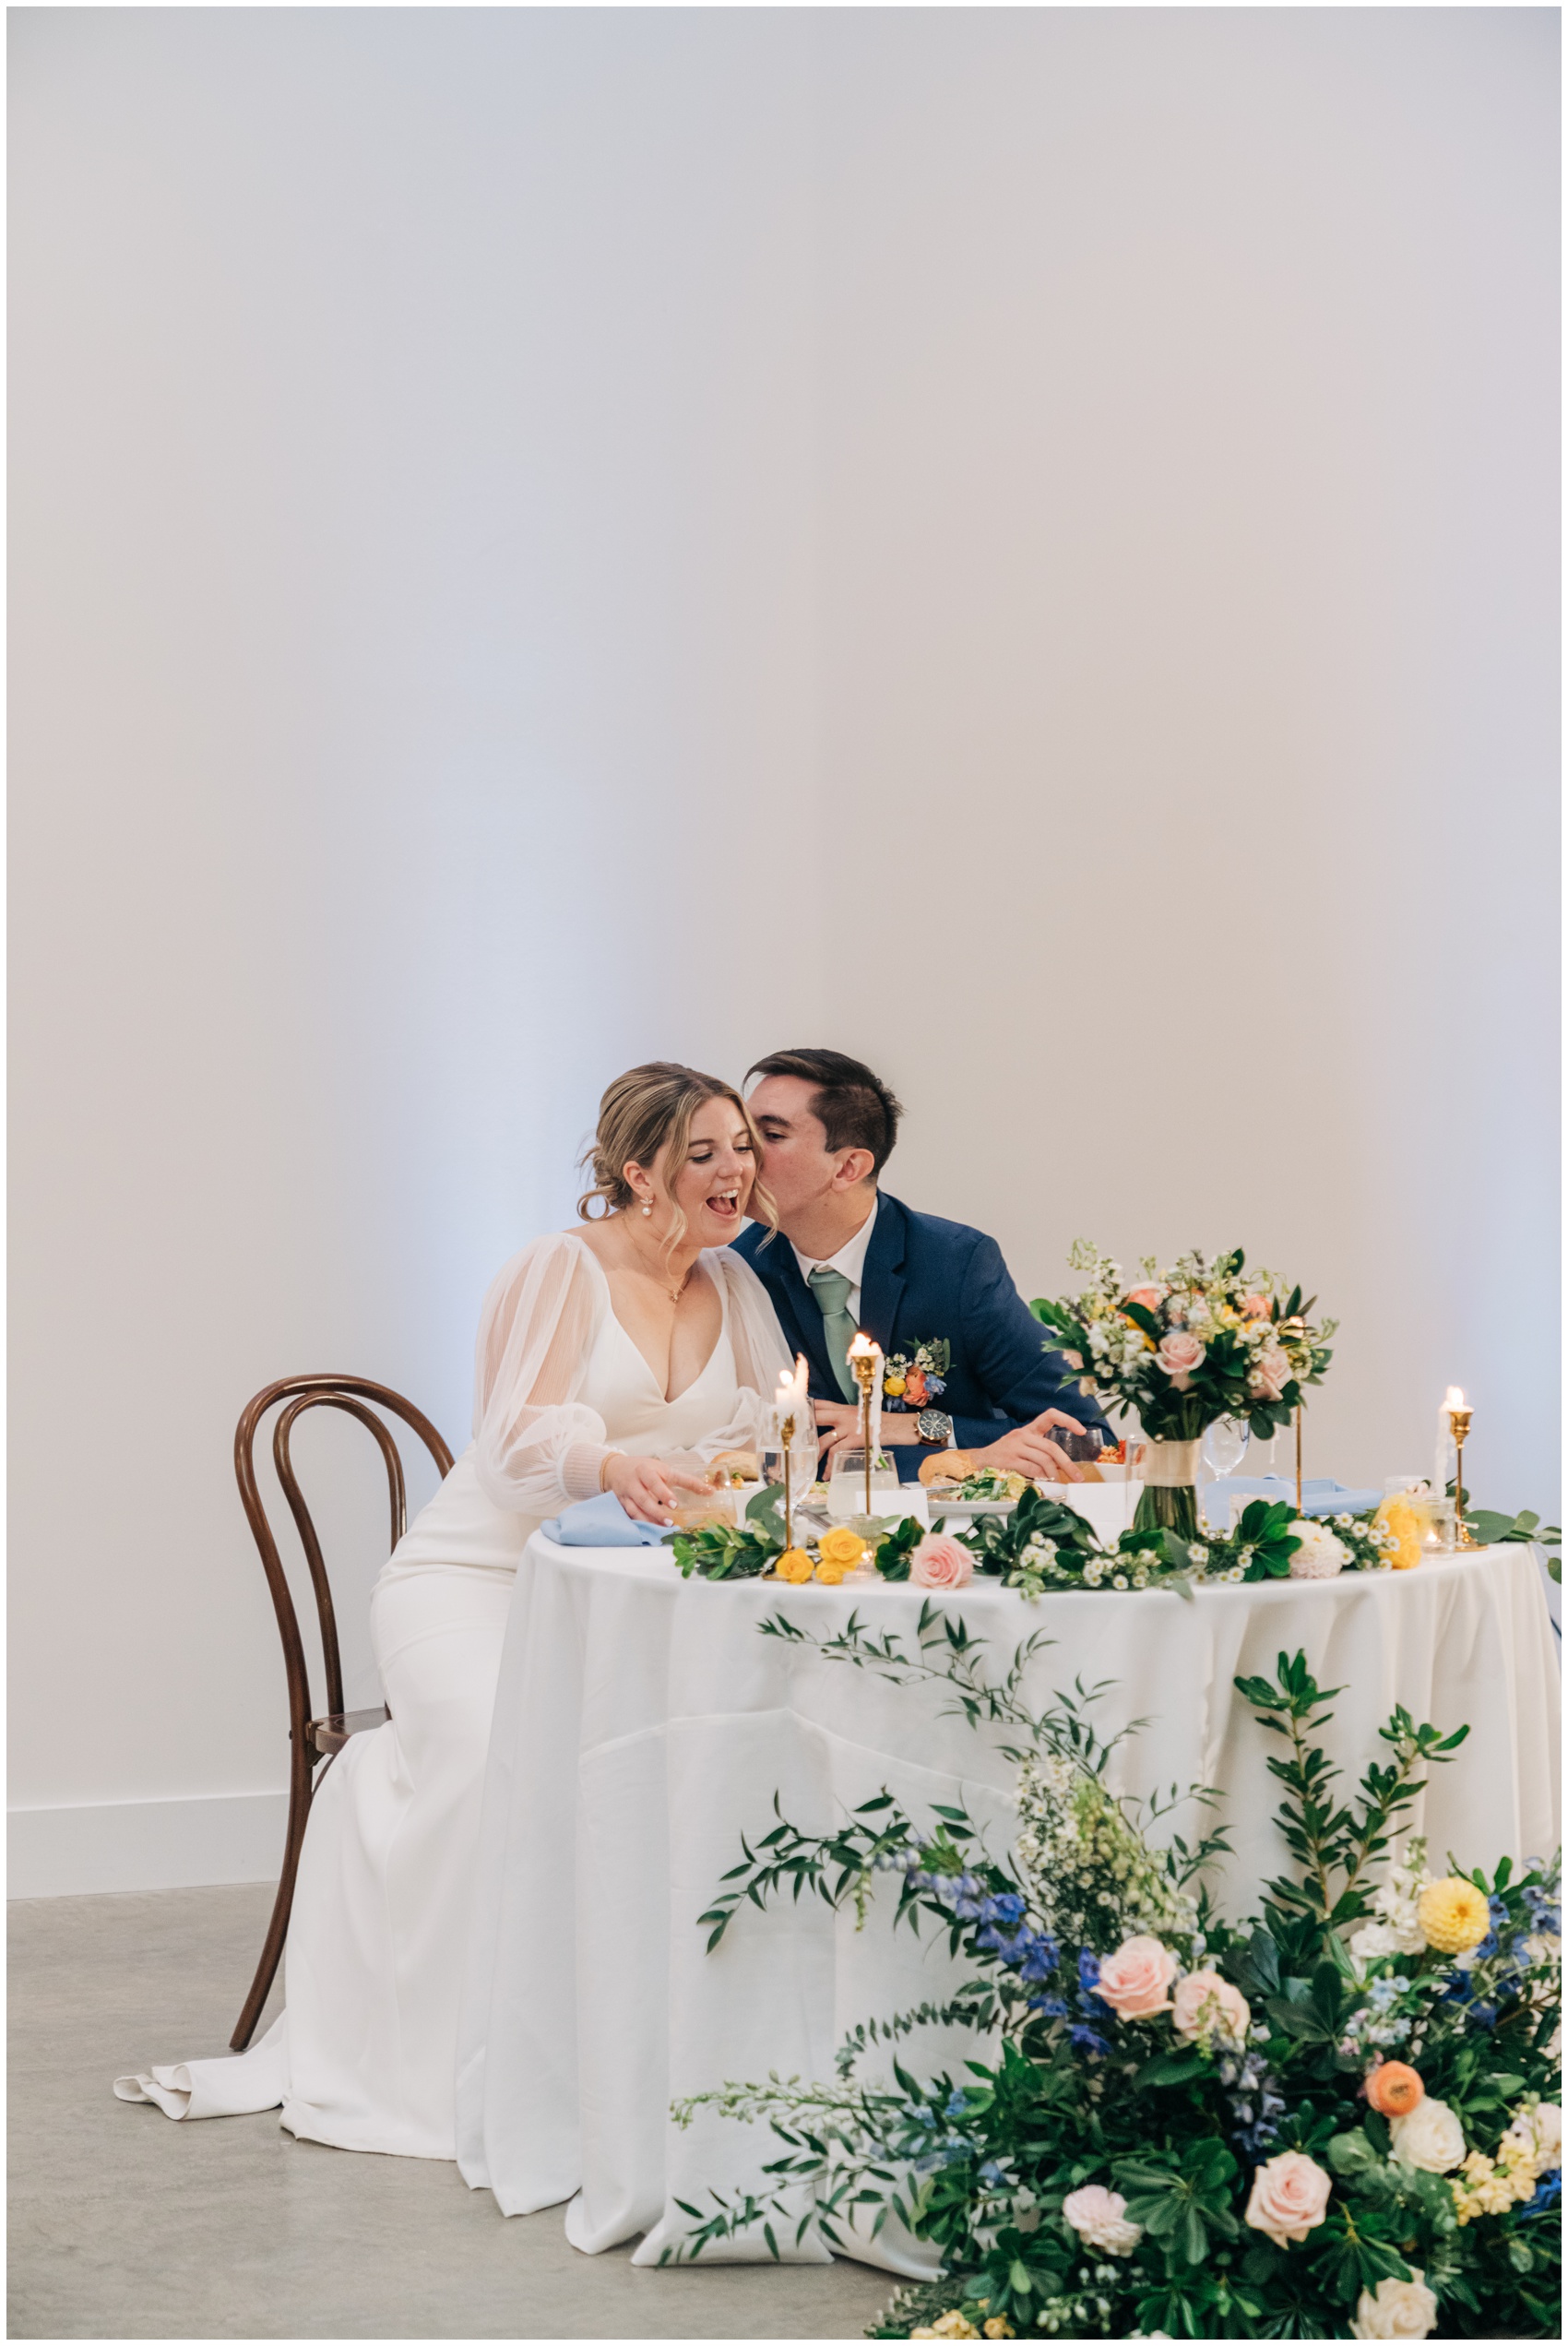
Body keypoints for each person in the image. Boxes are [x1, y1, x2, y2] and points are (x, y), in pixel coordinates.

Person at [115, 1064, 791, 2157]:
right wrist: (611, 1458)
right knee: (491, 1751)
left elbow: (764, 1438)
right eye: (703, 1152)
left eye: (742, 1150)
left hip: (620, 1591)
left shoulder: (740, 1286)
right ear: (639, 1172)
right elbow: (513, 1438)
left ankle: (610, 2052)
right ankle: (440, 2058)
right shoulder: (558, 1269)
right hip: (474, 1582)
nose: (733, 1172)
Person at [735, 1049, 1105, 1484]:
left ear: (848, 1167)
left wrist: (916, 1428)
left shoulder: (955, 1264)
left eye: (772, 1136)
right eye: (743, 1135)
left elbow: (1085, 1438)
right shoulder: (741, 1269)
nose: (741, 1154)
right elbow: (770, 1457)